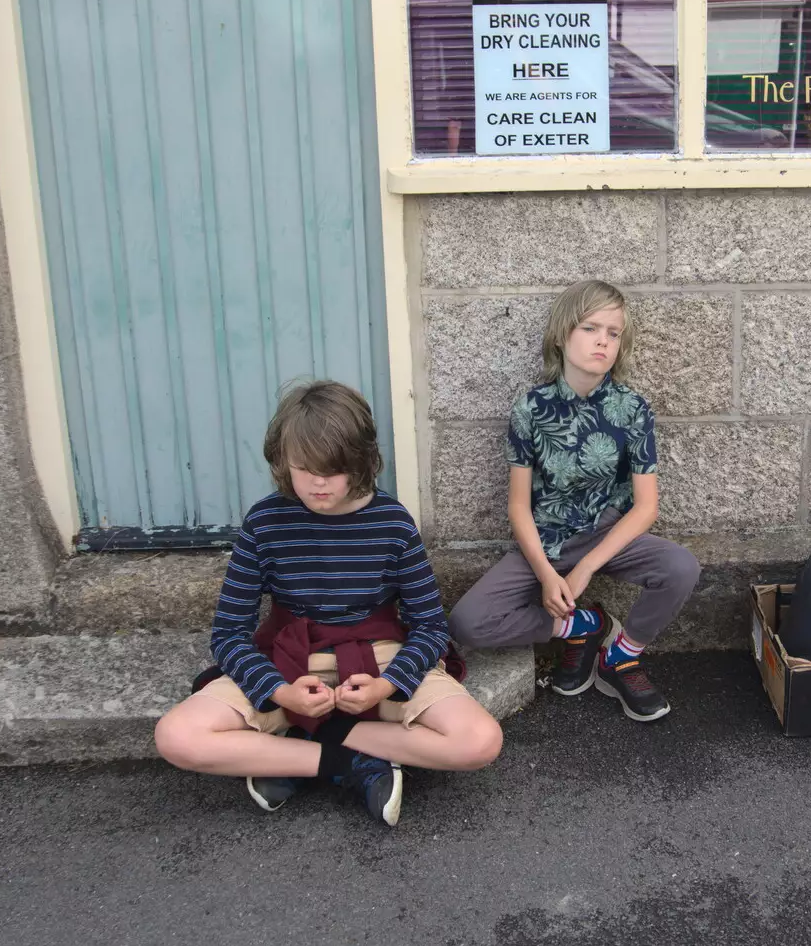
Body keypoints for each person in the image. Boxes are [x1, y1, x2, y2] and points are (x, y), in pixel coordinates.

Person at [154, 381, 502, 824]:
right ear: (282, 461)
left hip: (378, 657)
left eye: (334, 469)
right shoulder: (265, 521)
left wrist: (386, 685)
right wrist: (279, 691)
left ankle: (313, 743)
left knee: (479, 741)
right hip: (287, 658)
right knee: (176, 736)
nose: (319, 482)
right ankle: (339, 763)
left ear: (360, 461)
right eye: (304, 468)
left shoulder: (392, 523)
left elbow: (430, 627)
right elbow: (228, 634)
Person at [449, 280, 701, 722]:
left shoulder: (632, 409)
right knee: (468, 621)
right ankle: (584, 627)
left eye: (613, 332)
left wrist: (585, 567)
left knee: (681, 567)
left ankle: (620, 656)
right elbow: (517, 506)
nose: (603, 340)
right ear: (563, 334)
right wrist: (548, 575)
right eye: (590, 328)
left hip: (608, 535)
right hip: (545, 540)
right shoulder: (531, 408)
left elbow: (646, 507)